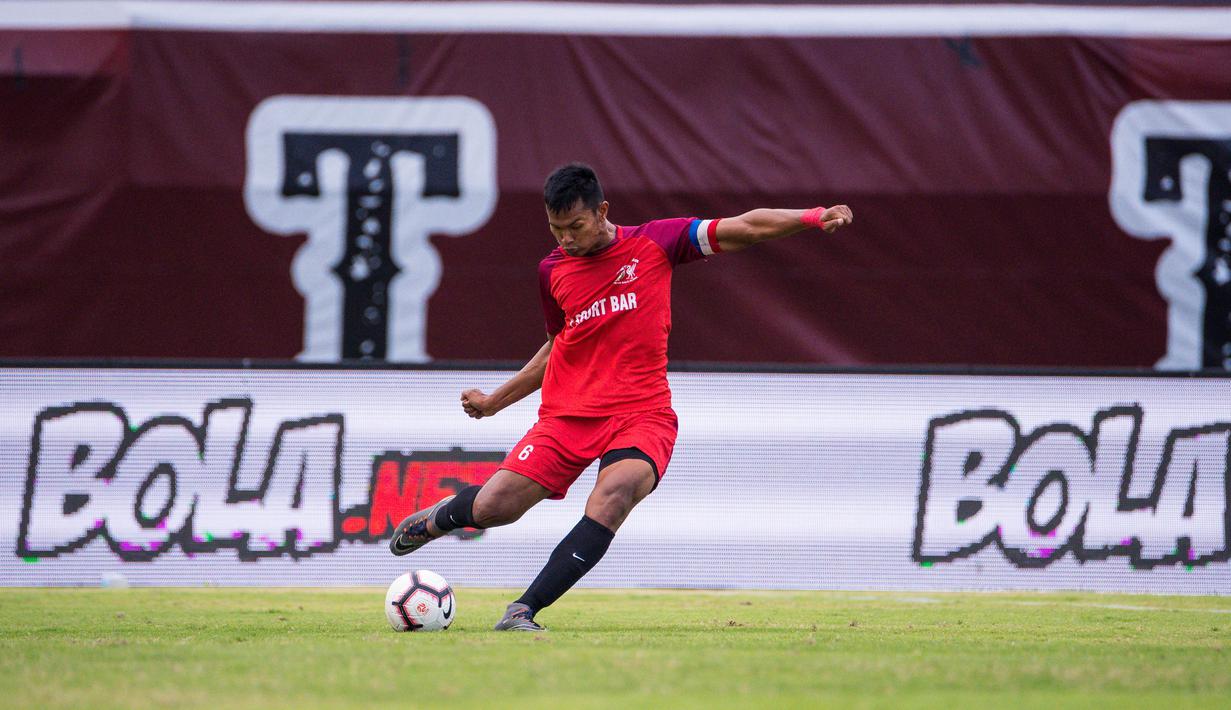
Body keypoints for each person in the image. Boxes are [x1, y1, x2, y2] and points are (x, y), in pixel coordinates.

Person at [390, 163, 853, 631]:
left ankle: (523, 610)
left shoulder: (657, 242)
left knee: (615, 493)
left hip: (642, 414)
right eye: (556, 229)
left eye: (576, 226)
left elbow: (745, 227)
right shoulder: (552, 270)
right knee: (496, 508)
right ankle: (439, 519)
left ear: (602, 210)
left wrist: (812, 217)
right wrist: (495, 402)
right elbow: (559, 344)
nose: (566, 239)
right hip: (567, 416)